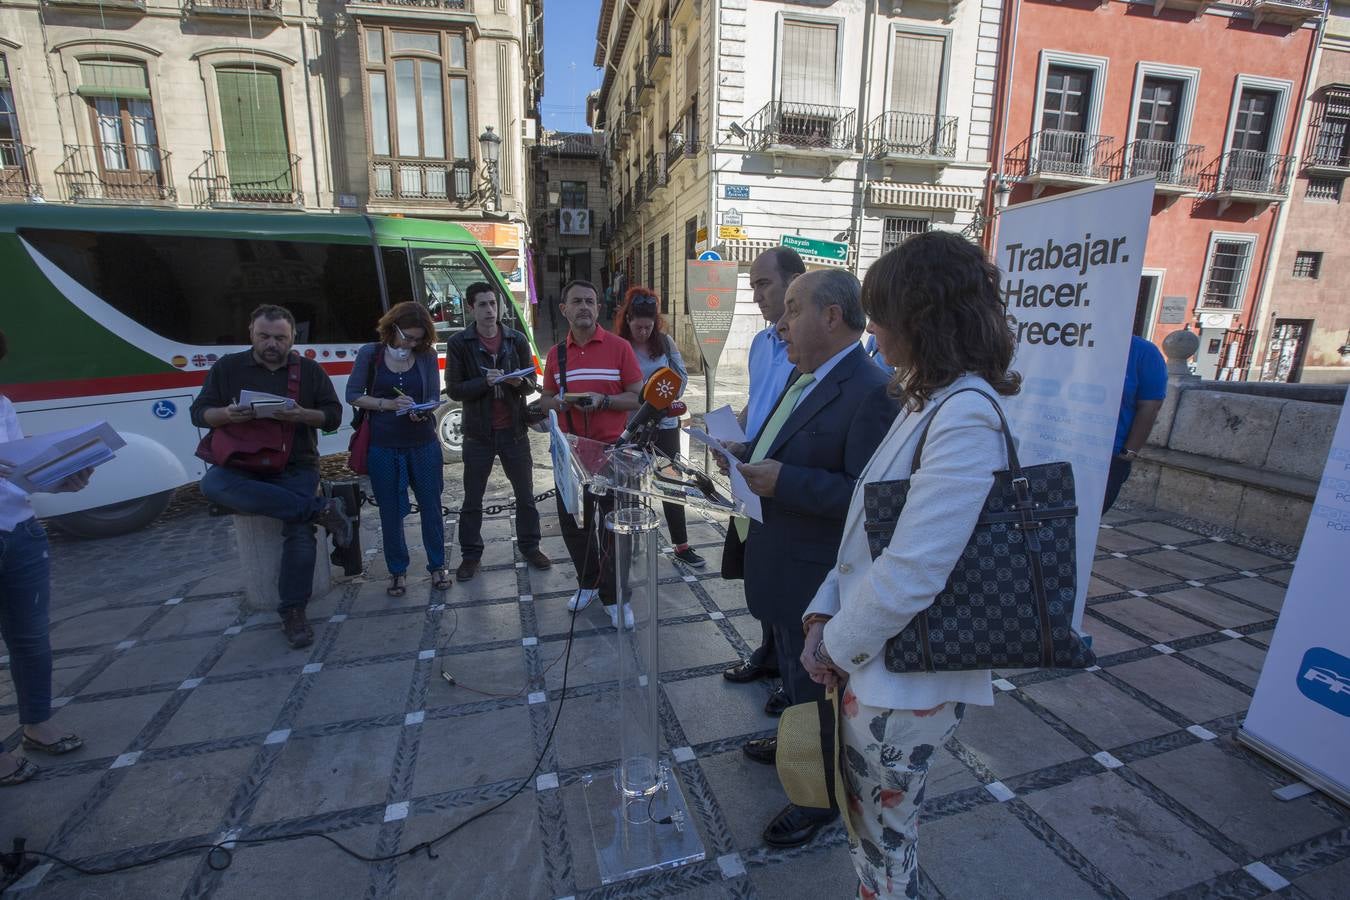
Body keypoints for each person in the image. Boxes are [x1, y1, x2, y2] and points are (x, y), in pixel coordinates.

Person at [800, 232, 1021, 898]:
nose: (877, 331)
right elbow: (867, 530)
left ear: (923, 318)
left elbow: (916, 568)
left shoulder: (966, 414)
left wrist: (833, 647)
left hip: (906, 680)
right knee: (874, 831)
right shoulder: (930, 399)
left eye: (884, 314)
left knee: (884, 840)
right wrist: (823, 609)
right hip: (881, 663)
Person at [725, 268, 897, 849]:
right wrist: (744, 451)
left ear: (832, 316)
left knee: (817, 689)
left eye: (793, 308)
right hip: (778, 560)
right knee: (796, 684)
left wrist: (786, 481)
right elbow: (784, 447)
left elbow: (869, 499)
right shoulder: (807, 379)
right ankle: (795, 741)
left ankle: (817, 797)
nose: (780, 322)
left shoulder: (871, 390)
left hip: (814, 575)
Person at [193, 305, 348, 650]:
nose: (271, 344)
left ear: (293, 337)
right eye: (264, 336)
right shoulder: (228, 368)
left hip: (296, 464)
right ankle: (318, 509)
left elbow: (334, 416)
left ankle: (293, 611)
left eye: (280, 337)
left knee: (299, 533)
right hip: (242, 463)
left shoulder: (308, 371)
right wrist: (227, 415)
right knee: (212, 484)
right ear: (251, 332)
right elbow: (199, 413)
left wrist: (301, 414)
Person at [0, 330, 93, 786]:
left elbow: (17, 472)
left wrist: (59, 479)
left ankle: (37, 724)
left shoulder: (1, 404)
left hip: (19, 531)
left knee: (32, 638)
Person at [722, 247, 807, 710]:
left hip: (783, 481)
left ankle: (794, 676)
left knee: (785, 580)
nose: (755, 294)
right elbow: (759, 404)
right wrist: (732, 435)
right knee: (756, 568)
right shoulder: (759, 344)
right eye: (752, 284)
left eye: (763, 284)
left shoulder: (809, 348)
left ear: (795, 282)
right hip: (748, 475)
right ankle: (769, 655)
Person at [538, 279, 644, 629]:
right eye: (576, 301)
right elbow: (546, 399)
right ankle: (589, 583)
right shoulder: (556, 354)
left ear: (598, 308)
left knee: (616, 529)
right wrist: (563, 402)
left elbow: (638, 397)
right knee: (574, 524)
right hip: (570, 455)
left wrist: (605, 401)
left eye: (590, 301)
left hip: (613, 452)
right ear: (563, 309)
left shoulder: (619, 348)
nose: (584, 307)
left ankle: (616, 596)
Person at [445, 283, 552, 580]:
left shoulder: (516, 340)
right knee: (472, 498)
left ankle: (531, 547)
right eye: (482, 305)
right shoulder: (459, 343)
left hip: (514, 431)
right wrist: (485, 383)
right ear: (471, 308)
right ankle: (470, 555)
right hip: (478, 434)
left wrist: (520, 384)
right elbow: (453, 389)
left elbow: (531, 382)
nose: (490, 311)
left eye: (494, 304)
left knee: (525, 495)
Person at [346, 301, 450, 596]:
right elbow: (352, 395)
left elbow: (431, 395)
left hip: (422, 442)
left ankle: (438, 565)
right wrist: (387, 404)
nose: (412, 343)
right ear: (392, 328)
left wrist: (422, 410)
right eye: (407, 336)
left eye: (418, 338)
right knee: (389, 510)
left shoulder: (427, 356)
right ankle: (397, 570)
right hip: (384, 443)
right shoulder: (371, 354)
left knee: (431, 506)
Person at [614, 286, 704, 568]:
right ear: (628, 320)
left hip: (664, 424)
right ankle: (627, 544)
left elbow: (681, 377)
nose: (644, 332)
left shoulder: (664, 343)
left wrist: (663, 398)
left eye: (649, 327)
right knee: (628, 485)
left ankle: (681, 545)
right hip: (632, 425)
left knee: (671, 482)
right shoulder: (619, 345)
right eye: (639, 327)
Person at [1104, 335, 1167, 512]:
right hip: (1055, 447)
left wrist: (1127, 454)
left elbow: (1150, 405)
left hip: (1110, 457)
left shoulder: (1143, 351)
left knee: (1086, 521)